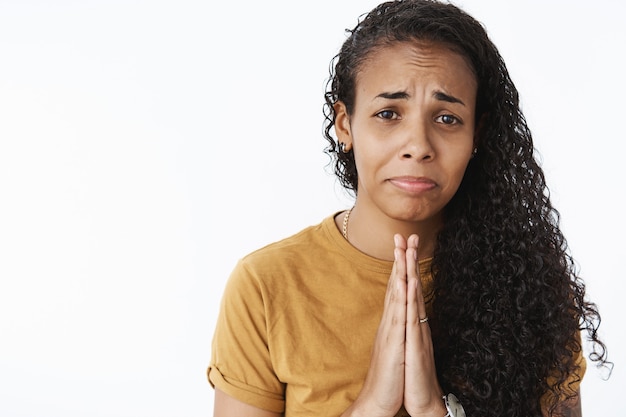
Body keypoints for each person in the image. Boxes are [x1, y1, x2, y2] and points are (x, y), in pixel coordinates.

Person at [207, 0, 610, 416]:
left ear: (477, 134)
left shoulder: (533, 287)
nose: (418, 146)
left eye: (447, 119)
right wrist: (373, 406)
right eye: (388, 113)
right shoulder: (264, 287)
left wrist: (433, 410)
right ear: (344, 123)